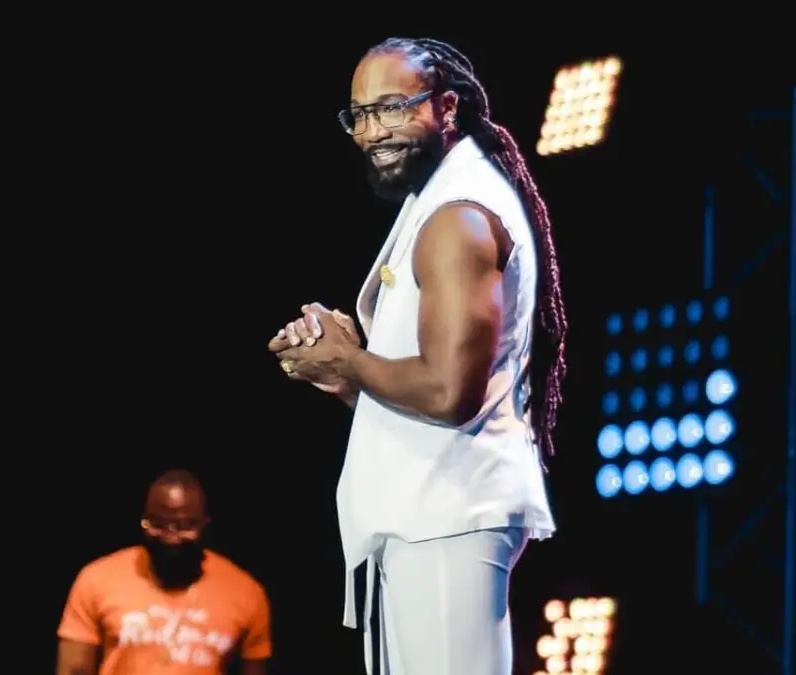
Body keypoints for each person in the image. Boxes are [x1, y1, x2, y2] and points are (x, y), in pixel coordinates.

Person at [267, 37, 568, 675]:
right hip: (426, 514)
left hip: (448, 515)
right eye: (360, 115)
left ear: (447, 107)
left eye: (392, 108)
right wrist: (343, 368)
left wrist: (349, 361)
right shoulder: (434, 202)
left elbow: (448, 391)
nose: (373, 132)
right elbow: (430, 388)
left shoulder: (457, 217)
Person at [56, 470, 271, 675]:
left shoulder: (246, 593)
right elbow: (73, 670)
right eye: (157, 524)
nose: (170, 536)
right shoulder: (97, 579)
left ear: (205, 525)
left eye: (184, 526)